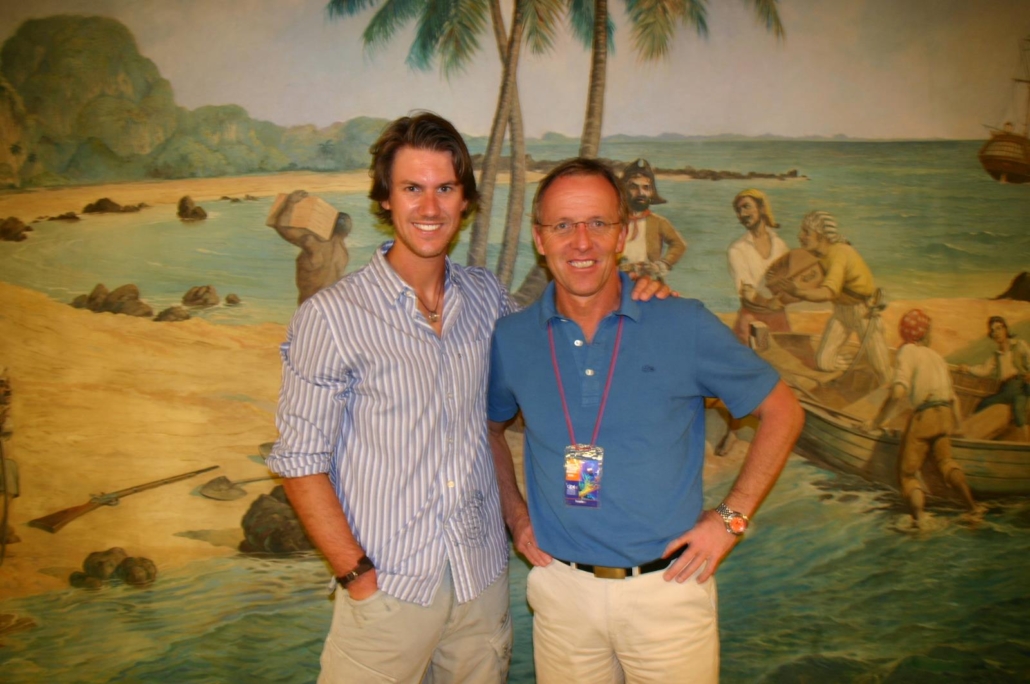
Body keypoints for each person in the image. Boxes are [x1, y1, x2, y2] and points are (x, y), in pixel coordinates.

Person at [265, 114, 670, 684]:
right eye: (412, 187)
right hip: (387, 592)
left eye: (446, 188)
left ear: (465, 201)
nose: (430, 207)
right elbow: (299, 462)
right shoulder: (330, 318)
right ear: (385, 198)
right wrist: (357, 577)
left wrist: (633, 290)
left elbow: (564, 347)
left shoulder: (487, 300)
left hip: (481, 585)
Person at [486, 158, 804, 683]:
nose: (581, 242)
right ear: (540, 239)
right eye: (563, 225)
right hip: (561, 595)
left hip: (667, 593)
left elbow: (783, 411)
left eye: (598, 223)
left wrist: (730, 519)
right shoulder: (512, 338)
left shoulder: (683, 322)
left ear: (623, 234)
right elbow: (489, 428)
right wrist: (515, 516)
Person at [867, 309, 979, 526]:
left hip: (925, 416)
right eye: (929, 330)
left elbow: (898, 393)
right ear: (922, 333)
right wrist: (959, 427)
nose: (930, 334)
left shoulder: (907, 352)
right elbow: (954, 399)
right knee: (946, 462)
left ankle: (921, 521)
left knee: (908, 474)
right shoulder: (937, 357)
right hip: (945, 416)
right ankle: (973, 508)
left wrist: (876, 422)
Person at [773, 210, 891, 384]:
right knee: (824, 361)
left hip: (864, 313)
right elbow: (811, 285)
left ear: (821, 236)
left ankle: (885, 387)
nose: (800, 236)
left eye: (806, 232)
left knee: (881, 367)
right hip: (842, 312)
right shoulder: (819, 257)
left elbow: (828, 292)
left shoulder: (839, 253)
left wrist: (796, 291)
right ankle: (854, 372)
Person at [267, 189, 353, 304]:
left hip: (310, 307)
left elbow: (282, 227)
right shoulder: (344, 254)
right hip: (332, 306)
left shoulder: (314, 244)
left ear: (329, 225)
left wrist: (290, 202)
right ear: (347, 232)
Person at [727, 189, 791, 342]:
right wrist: (770, 302)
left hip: (779, 318)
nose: (742, 214)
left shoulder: (780, 245)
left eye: (746, 207)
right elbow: (747, 292)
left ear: (762, 208)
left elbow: (789, 282)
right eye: (738, 210)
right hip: (751, 321)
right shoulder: (737, 250)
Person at [958, 315, 1030, 440]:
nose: (996, 333)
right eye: (993, 330)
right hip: (1005, 390)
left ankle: (1026, 444)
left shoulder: (1019, 345)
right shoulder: (996, 356)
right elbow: (984, 370)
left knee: (1019, 413)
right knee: (983, 403)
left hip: (1019, 388)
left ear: (1005, 329)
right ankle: (970, 432)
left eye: (999, 328)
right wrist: (967, 369)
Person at [617, 159, 687, 281]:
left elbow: (679, 245)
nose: (641, 193)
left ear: (651, 192)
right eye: (633, 187)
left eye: (646, 188)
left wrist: (662, 264)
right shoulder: (613, 220)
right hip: (617, 280)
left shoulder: (658, 222)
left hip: (649, 280)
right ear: (624, 190)